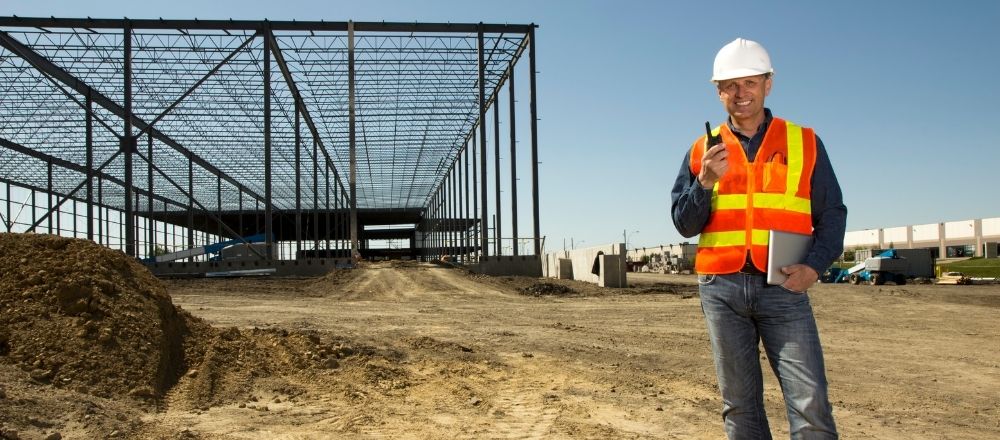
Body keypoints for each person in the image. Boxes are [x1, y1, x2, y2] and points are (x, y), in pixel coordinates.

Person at [670, 38, 847, 439]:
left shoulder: (803, 142)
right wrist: (704, 183)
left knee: (810, 401)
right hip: (721, 289)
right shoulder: (702, 149)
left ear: (769, 84)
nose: (740, 93)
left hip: (783, 285)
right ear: (718, 92)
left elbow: (832, 212)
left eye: (749, 82)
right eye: (730, 85)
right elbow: (684, 223)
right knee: (739, 406)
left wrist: (815, 267)